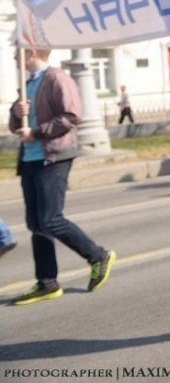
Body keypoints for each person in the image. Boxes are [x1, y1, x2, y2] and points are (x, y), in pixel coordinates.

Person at [8, 47, 116, 305]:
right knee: (36, 223)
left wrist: (37, 131)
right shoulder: (28, 83)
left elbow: (71, 115)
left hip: (53, 157)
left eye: (17, 52)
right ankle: (47, 282)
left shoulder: (56, 78)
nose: (14, 57)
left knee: (51, 219)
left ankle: (97, 256)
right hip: (30, 158)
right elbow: (15, 125)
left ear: (31, 52)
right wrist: (16, 113)